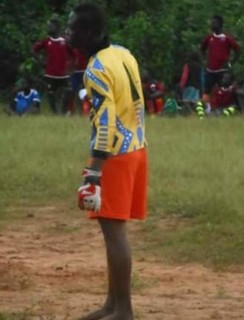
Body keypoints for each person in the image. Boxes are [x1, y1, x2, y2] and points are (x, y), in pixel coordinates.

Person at [66, 4, 148, 320]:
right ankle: (112, 305)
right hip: (137, 148)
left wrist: (93, 172)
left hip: (114, 155)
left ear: (88, 33)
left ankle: (123, 310)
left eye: (73, 29)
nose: (68, 33)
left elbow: (105, 122)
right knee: (114, 230)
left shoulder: (95, 69)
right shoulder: (122, 53)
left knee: (113, 233)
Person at [33, 14, 74, 114]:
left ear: (57, 28)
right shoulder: (46, 41)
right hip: (50, 74)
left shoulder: (65, 41)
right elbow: (34, 50)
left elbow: (73, 54)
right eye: (48, 27)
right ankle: (55, 113)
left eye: (50, 27)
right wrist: (40, 62)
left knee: (69, 90)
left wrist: (71, 67)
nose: (48, 29)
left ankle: (64, 112)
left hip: (63, 74)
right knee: (50, 93)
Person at [200, 15, 240, 114]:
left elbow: (238, 50)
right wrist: (204, 61)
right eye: (212, 23)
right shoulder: (209, 38)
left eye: (215, 23)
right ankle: (206, 110)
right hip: (210, 70)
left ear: (220, 24)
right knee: (206, 91)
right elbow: (201, 49)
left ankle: (225, 110)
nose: (213, 25)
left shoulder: (226, 38)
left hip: (222, 70)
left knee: (223, 90)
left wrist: (231, 63)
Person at [179, 52, 203, 117]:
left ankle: (189, 114)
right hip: (196, 87)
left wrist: (181, 85)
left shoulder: (188, 65)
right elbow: (201, 78)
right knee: (194, 102)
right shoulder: (199, 66)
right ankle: (197, 115)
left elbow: (185, 76)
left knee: (186, 101)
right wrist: (201, 88)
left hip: (188, 86)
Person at [69, 48, 88, 114]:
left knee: (86, 91)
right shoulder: (73, 46)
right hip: (75, 72)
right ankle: (70, 109)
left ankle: (86, 110)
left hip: (85, 71)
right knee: (72, 91)